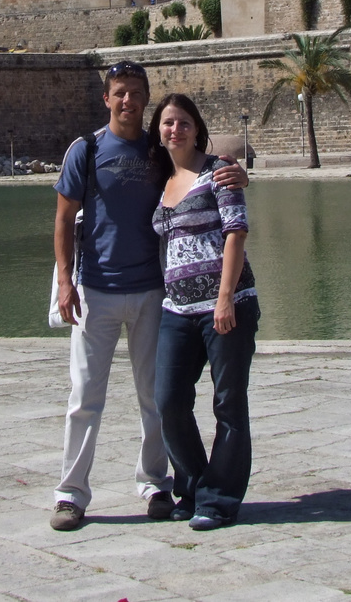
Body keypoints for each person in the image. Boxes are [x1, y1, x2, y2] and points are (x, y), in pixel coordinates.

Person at [50, 62, 247, 532]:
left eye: (136, 93)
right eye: (119, 93)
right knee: (84, 397)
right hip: (95, 291)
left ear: (145, 99)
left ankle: (155, 484)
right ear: (106, 98)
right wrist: (64, 281)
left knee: (154, 398)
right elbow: (62, 219)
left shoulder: (160, 151)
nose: (127, 101)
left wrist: (235, 174)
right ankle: (70, 494)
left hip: (154, 293)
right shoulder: (86, 149)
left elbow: (200, 172)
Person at [149, 92, 258, 531]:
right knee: (169, 400)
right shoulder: (159, 177)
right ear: (158, 131)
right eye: (167, 123)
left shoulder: (219, 172)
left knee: (228, 402)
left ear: (197, 128)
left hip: (225, 307)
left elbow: (236, 232)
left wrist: (225, 297)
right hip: (175, 309)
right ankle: (192, 485)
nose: (175, 130)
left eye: (183, 122)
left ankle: (219, 499)